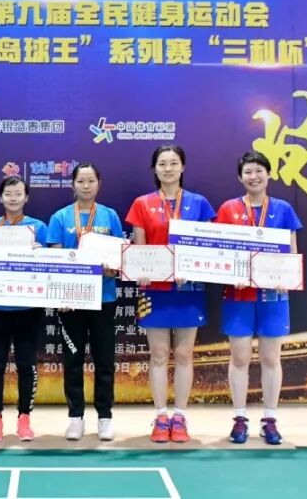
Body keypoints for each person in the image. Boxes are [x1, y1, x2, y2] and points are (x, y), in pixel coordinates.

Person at [124, 145, 215, 443]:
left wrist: (193, 267)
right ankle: (161, 416)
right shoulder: (142, 203)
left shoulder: (199, 204)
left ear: (183, 167)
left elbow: (207, 246)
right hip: (155, 290)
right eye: (162, 163)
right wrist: (142, 269)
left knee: (184, 354)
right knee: (159, 354)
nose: (168, 168)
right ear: (155, 169)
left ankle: (180, 416)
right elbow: (138, 248)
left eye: (174, 163)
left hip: (189, 289)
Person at [216, 151, 302, 445]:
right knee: (239, 357)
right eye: (248, 172)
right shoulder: (228, 209)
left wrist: (286, 278)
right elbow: (219, 252)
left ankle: (269, 420)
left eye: (259, 171)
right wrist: (230, 274)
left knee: (270, 358)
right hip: (238, 294)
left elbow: (291, 252)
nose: (253, 177)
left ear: (269, 174)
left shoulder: (283, 209)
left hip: (273, 296)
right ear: (240, 177)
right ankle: (239, 419)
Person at [46, 162, 125, 442]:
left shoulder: (110, 215)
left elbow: (119, 257)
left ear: (99, 183)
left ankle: (105, 417)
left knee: (104, 360)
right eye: (81, 181)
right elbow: (56, 261)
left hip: (104, 298)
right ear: (73, 184)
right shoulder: (60, 217)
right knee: (73, 360)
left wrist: (112, 268)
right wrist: (62, 295)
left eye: (91, 180)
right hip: (72, 301)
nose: (86, 186)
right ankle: (75, 417)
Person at [0, 176, 49, 442]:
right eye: (8, 193)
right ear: (0, 198)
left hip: (28, 306)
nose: (13, 198)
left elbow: (50, 264)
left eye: (18, 193)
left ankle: (24, 418)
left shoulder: (38, 227)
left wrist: (41, 254)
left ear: (26, 197)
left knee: (26, 365)